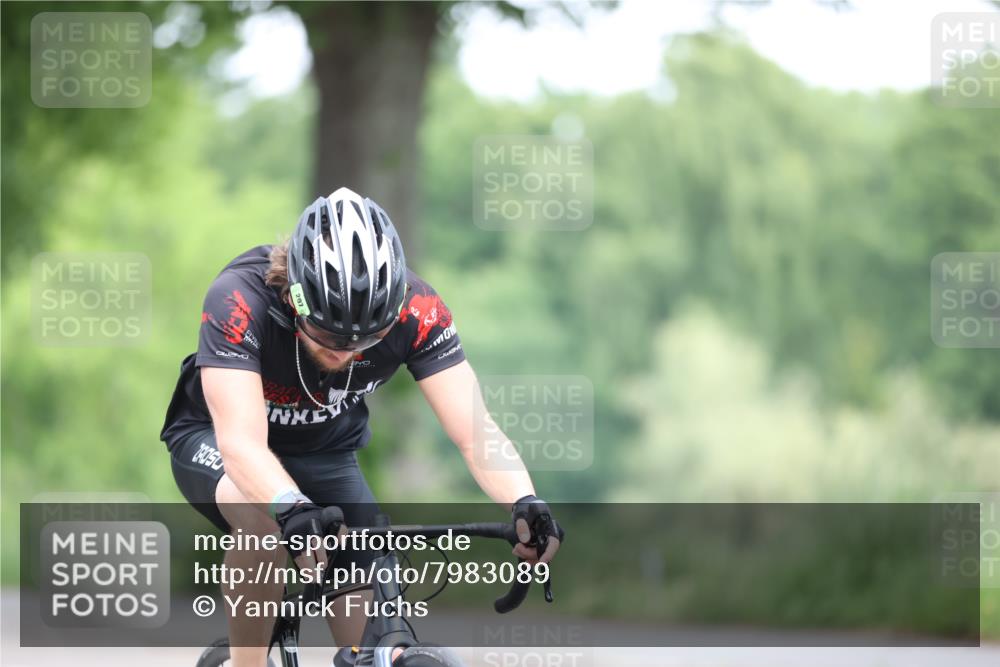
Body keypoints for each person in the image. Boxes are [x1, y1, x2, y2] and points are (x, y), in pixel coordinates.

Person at [160, 187, 562, 666]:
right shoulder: (238, 300)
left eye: (367, 339)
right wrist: (290, 507)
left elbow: (476, 432)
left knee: (365, 642)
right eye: (327, 334)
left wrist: (524, 499)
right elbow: (242, 445)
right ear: (295, 298)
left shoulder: (419, 310)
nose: (345, 352)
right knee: (263, 525)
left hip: (326, 453)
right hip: (216, 443)